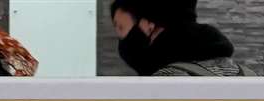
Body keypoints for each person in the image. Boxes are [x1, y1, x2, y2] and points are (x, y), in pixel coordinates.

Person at [109, 0, 255, 76]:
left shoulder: (164, 85)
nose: (121, 38)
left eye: (121, 28)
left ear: (148, 25)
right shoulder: (246, 76)